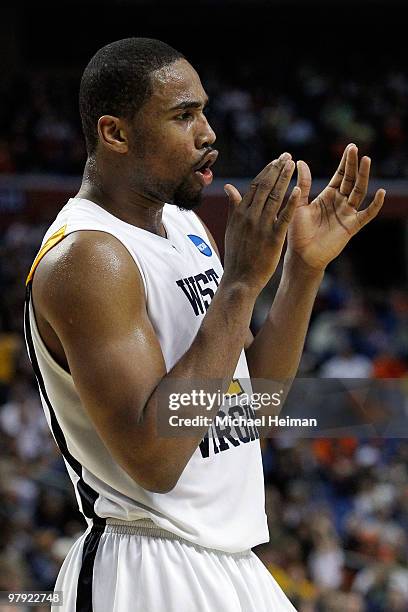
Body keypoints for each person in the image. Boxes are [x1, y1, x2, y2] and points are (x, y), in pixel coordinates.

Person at [24, 38, 385, 611]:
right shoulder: (90, 258)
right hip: (144, 565)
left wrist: (302, 272)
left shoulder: (189, 230)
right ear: (115, 133)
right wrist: (241, 285)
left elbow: (252, 410)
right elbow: (156, 458)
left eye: (205, 110)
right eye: (183, 115)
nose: (208, 132)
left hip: (232, 561)